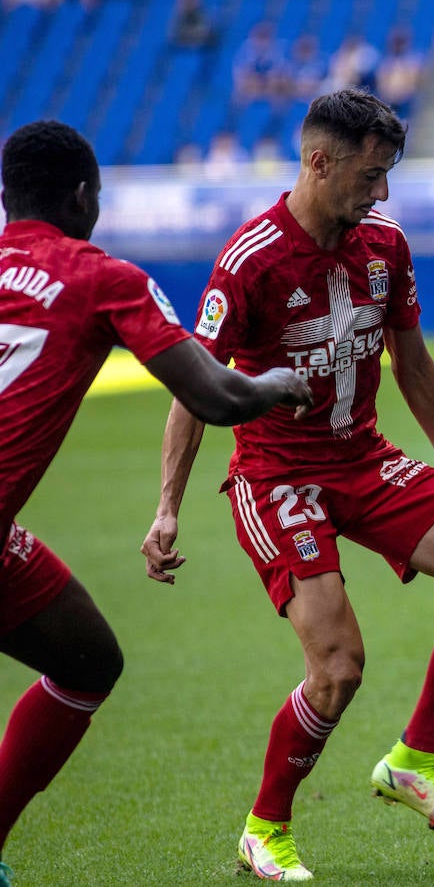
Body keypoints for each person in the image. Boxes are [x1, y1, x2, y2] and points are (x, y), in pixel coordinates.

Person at [140, 89, 434, 881]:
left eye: (388, 175)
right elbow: (195, 387)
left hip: (363, 459)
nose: (382, 192)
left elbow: (413, 361)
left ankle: (413, 759)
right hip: (277, 475)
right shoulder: (250, 259)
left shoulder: (385, 243)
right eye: (371, 174)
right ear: (320, 161)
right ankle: (265, 829)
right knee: (339, 668)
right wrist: (167, 508)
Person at [0, 120, 311, 887]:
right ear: (81, 198)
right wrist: (278, 382)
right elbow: (216, 393)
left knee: (87, 658)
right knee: (85, 665)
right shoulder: (104, 278)